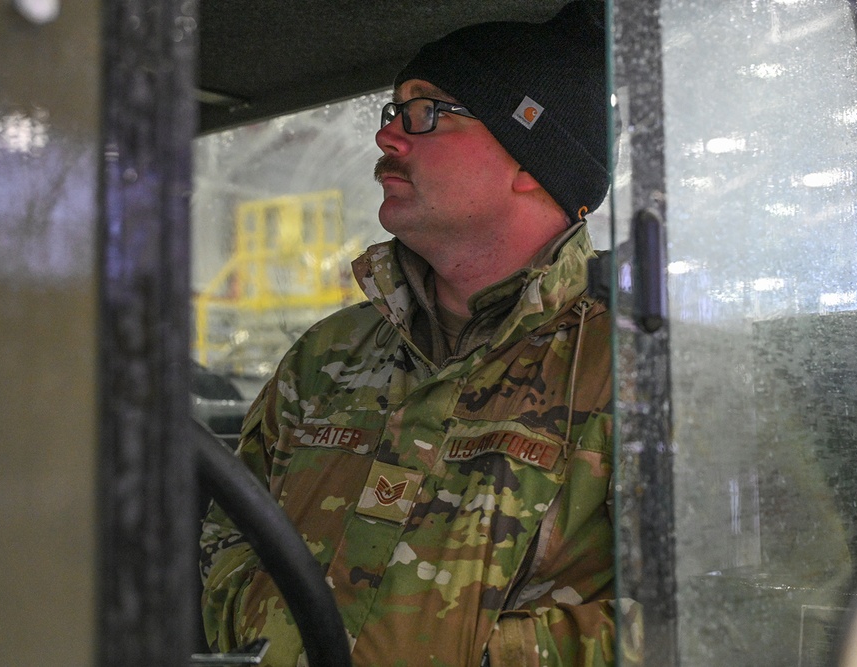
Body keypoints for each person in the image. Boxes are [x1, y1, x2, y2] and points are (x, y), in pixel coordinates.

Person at [200, 2, 623, 665]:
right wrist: (263, 637)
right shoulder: (324, 358)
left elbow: (738, 608)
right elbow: (226, 534)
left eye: (426, 113)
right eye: (392, 113)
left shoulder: (636, 371)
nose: (388, 138)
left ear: (529, 158)